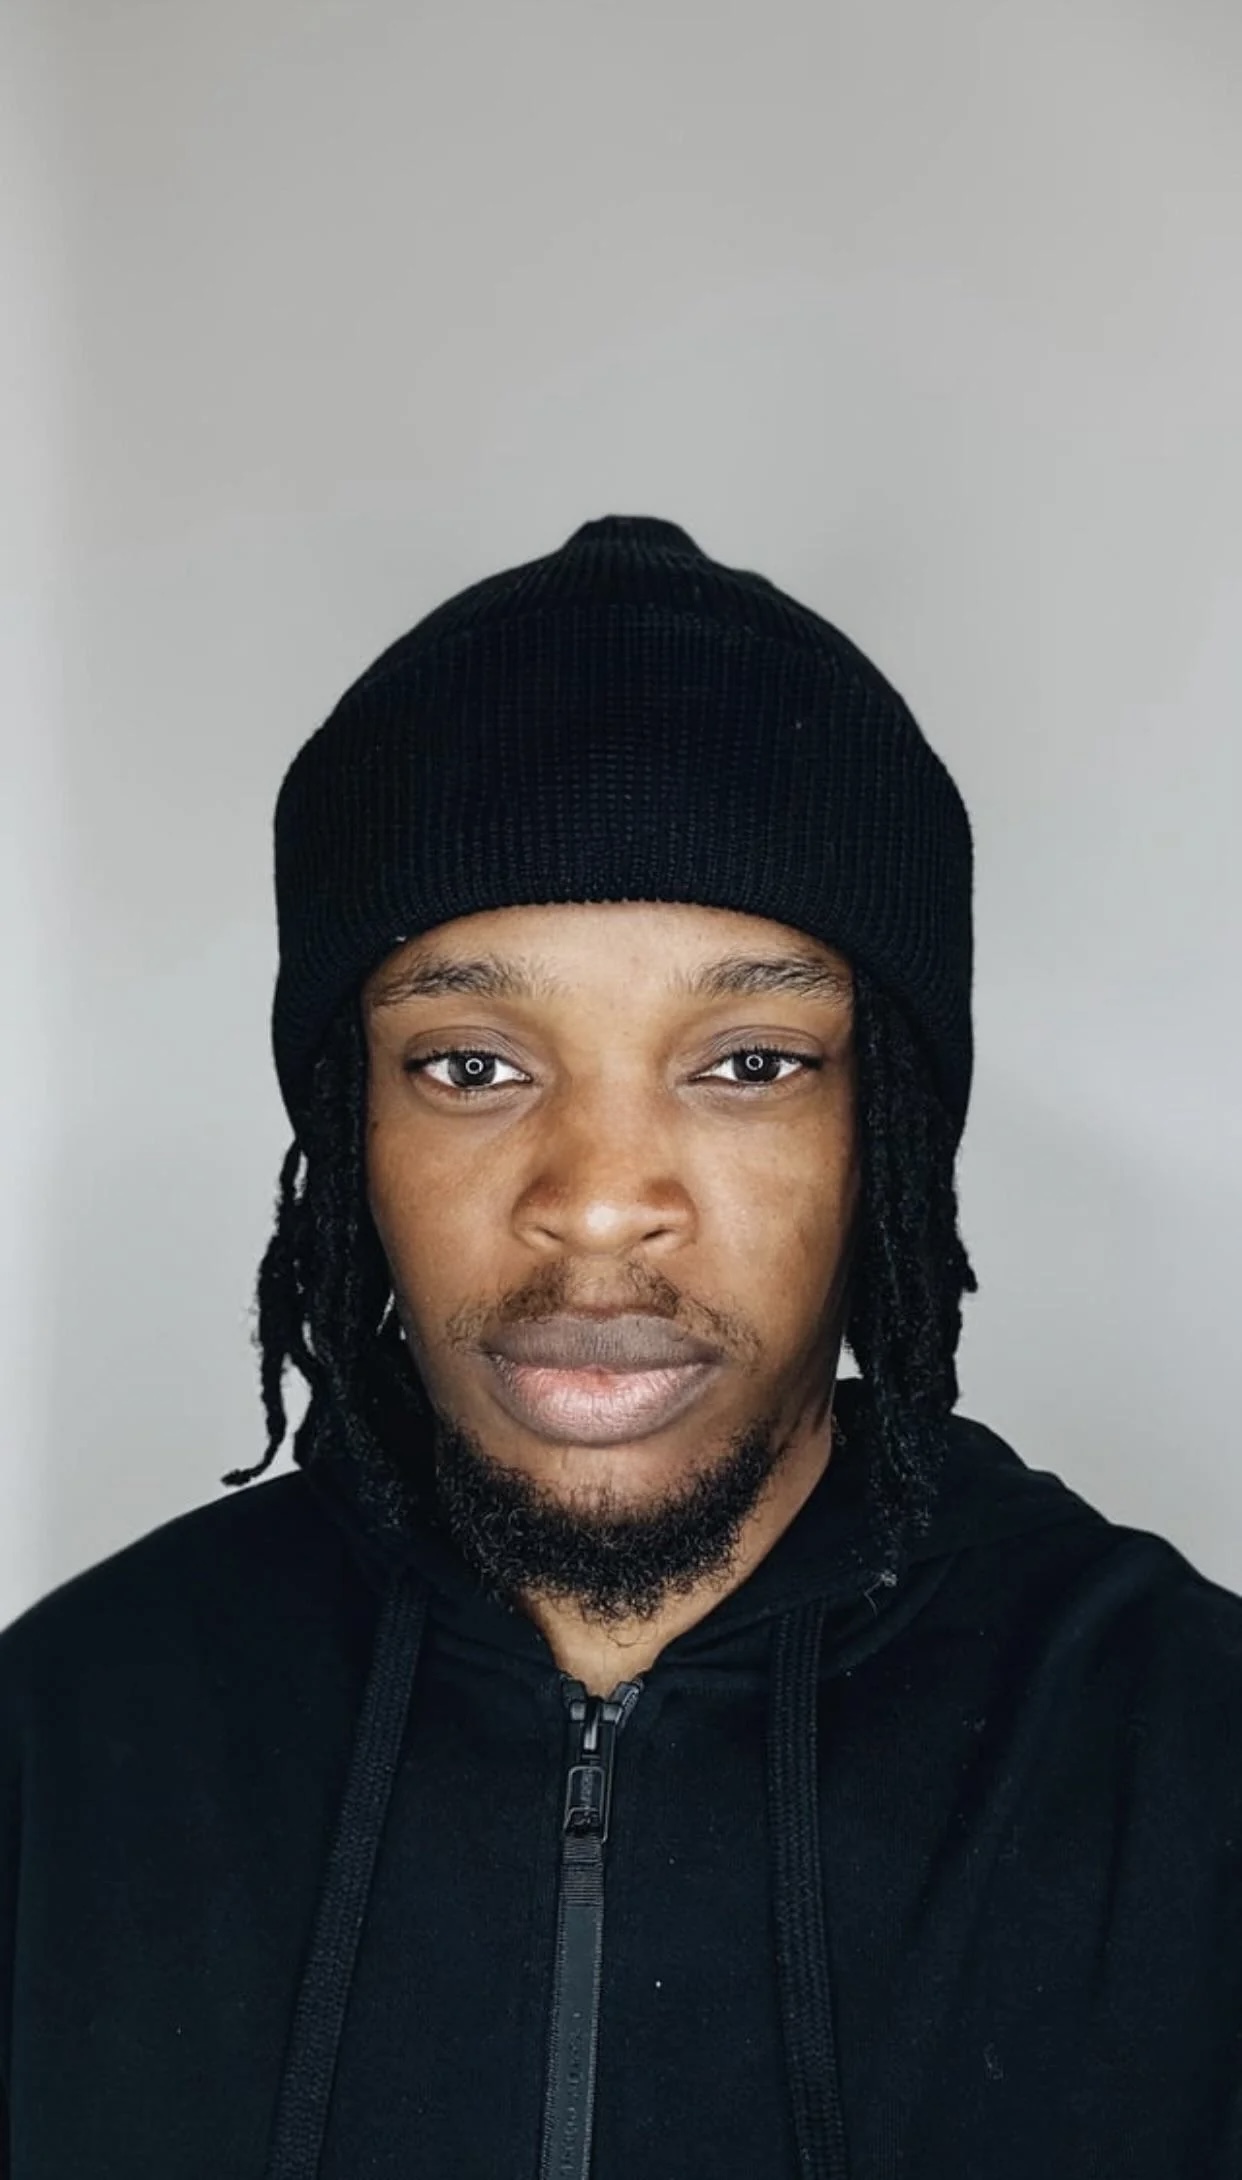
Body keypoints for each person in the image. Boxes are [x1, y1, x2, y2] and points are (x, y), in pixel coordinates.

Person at [0, 515, 1238, 2180]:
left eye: (746, 1065)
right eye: (468, 1066)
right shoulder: (68, 1738)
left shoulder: (1188, 1764)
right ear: (343, 1128)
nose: (594, 1208)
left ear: (888, 1129)